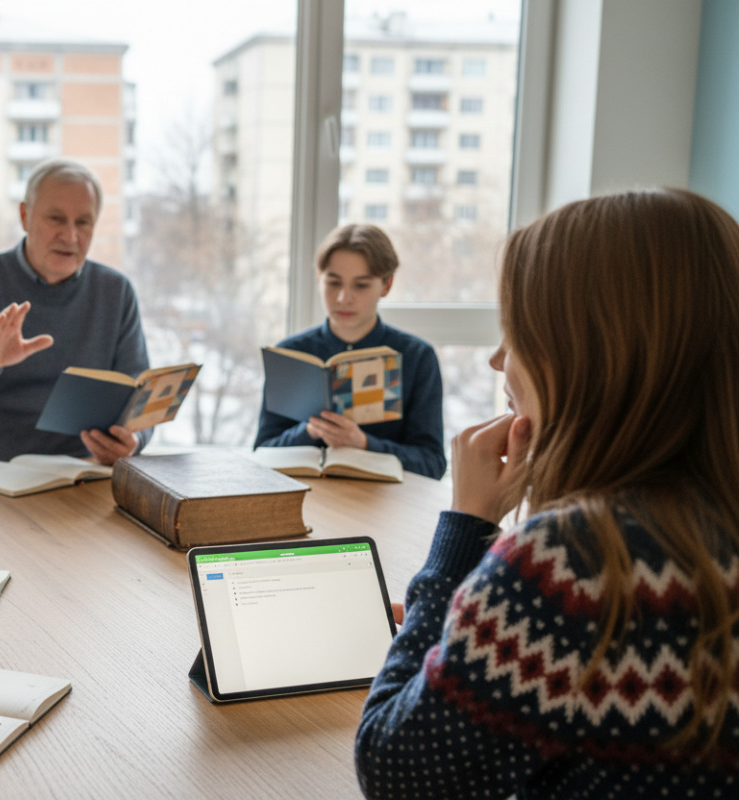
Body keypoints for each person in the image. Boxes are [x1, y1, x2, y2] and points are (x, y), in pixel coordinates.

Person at [355, 189, 739, 798]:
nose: (497, 359)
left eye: (519, 333)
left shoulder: (571, 565)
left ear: (589, 355)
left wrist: (464, 531)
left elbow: (396, 772)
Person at [0, 157, 151, 468]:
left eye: (83, 222)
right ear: (25, 216)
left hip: (79, 473)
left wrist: (134, 442)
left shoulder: (116, 292)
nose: (70, 236)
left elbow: (140, 395)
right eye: (56, 218)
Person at [254, 224, 445, 479]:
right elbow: (261, 452)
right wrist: (310, 431)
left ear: (386, 285)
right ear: (319, 279)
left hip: (388, 507)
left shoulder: (418, 357)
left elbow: (432, 463)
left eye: (361, 285)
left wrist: (363, 443)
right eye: (333, 283)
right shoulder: (290, 354)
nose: (344, 298)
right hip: (306, 500)